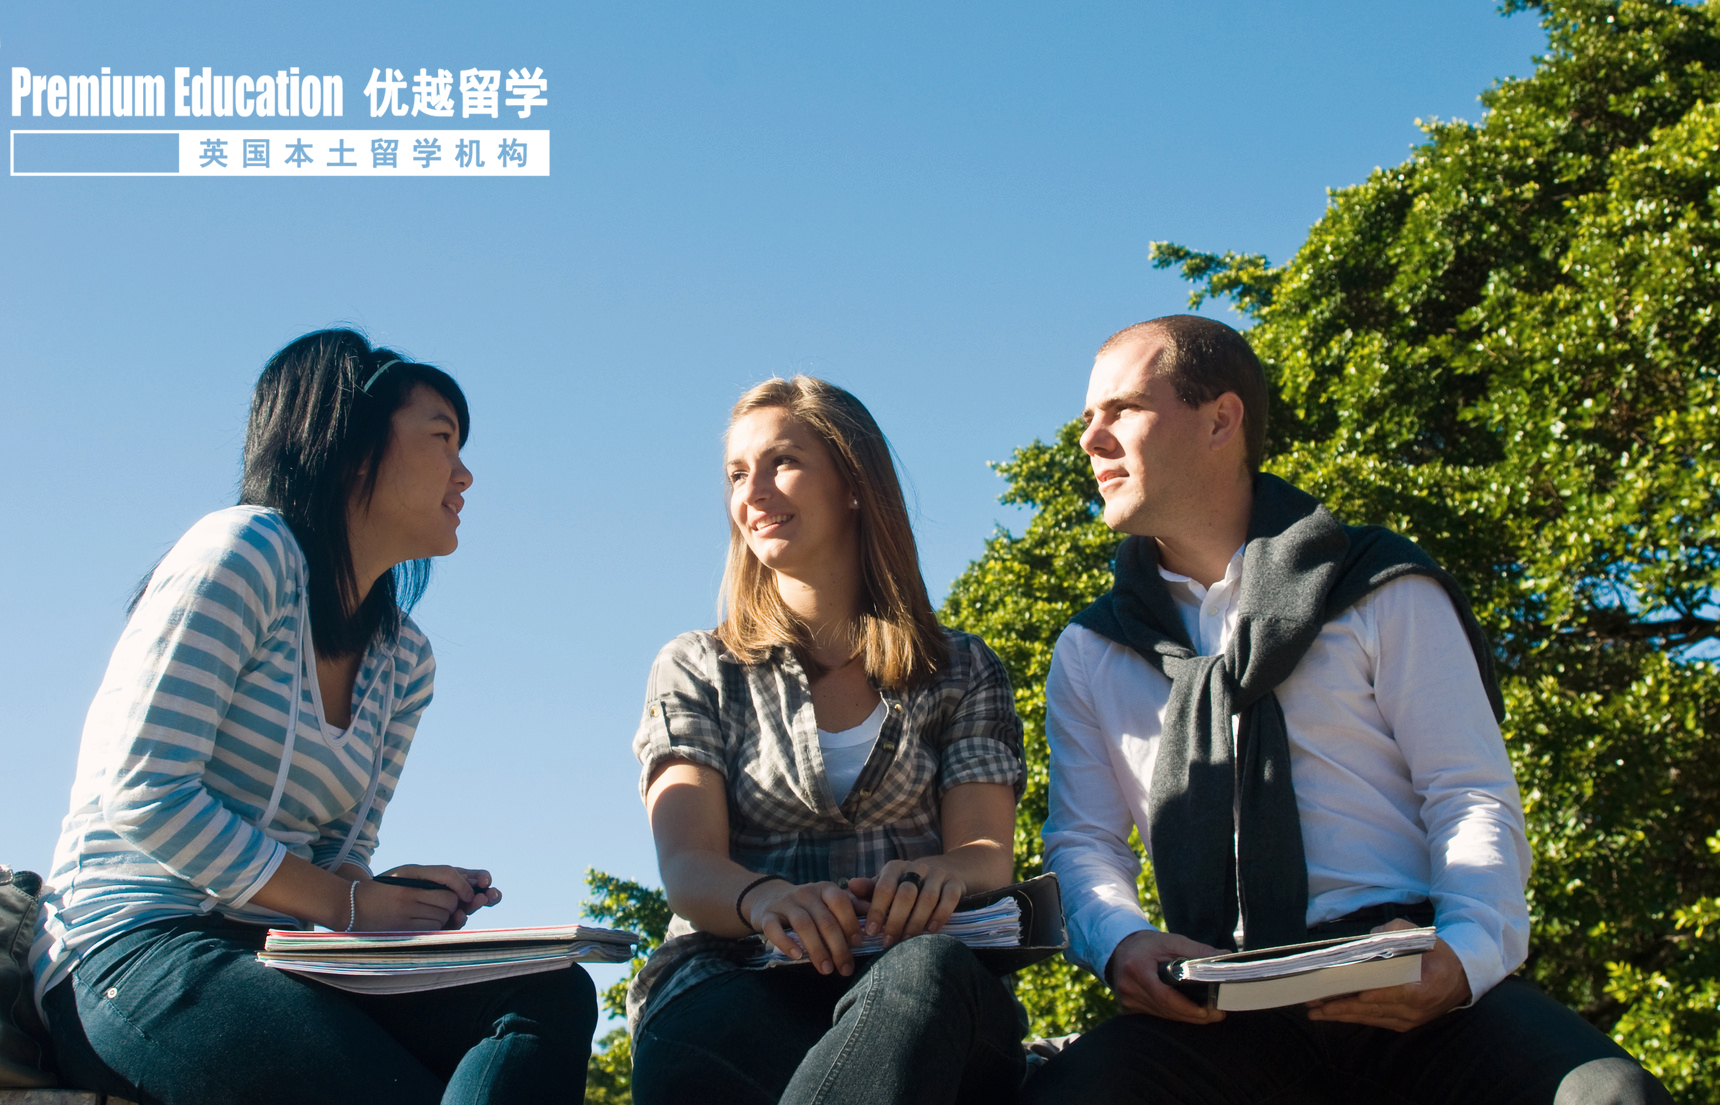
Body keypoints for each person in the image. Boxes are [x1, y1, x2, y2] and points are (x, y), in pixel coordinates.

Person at [1021, 316, 1670, 1104]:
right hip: (1217, 1003)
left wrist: (1462, 956)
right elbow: (1084, 841)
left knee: (1608, 1094)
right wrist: (1121, 941)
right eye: (1088, 417)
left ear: (1221, 419)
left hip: (1405, 974)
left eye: (1122, 409)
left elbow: (1468, 792)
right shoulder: (1093, 649)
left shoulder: (1380, 584)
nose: (1091, 439)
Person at [30, 329, 599, 1105]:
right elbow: (145, 793)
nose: (465, 472)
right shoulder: (246, 549)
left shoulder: (406, 660)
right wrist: (350, 902)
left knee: (549, 991)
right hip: (131, 946)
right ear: (353, 447)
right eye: (442, 438)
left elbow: (338, 861)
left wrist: (397, 892)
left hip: (277, 953)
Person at [627, 376, 1028, 1105]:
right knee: (709, 1036)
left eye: (781, 462)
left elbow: (985, 853)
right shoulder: (696, 666)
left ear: (853, 483)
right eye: (736, 474)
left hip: (912, 984)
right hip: (733, 975)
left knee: (925, 974)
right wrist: (765, 899)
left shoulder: (964, 670)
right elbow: (687, 864)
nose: (753, 492)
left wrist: (939, 875)